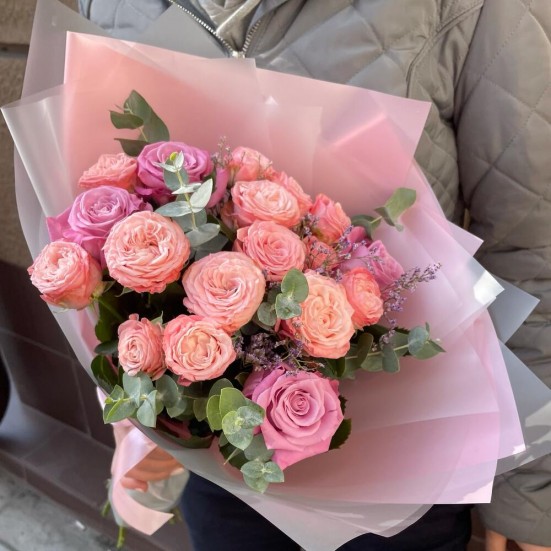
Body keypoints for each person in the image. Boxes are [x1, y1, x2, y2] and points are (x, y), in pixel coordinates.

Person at [80, 1, 551, 550]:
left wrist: (531, 494)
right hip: (219, 469)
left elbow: (533, 241)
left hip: (398, 463)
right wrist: (140, 402)